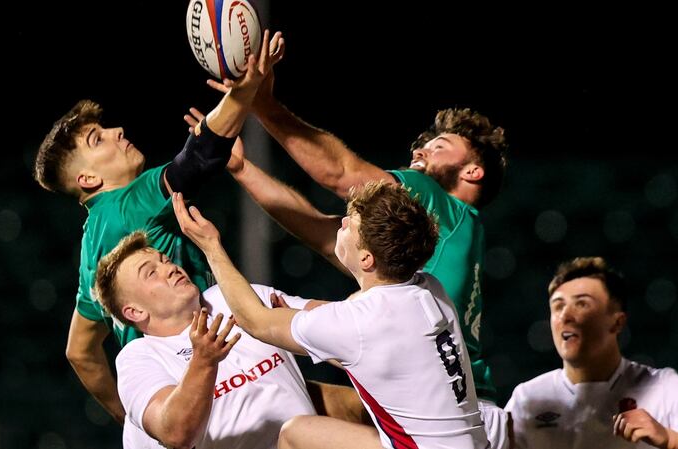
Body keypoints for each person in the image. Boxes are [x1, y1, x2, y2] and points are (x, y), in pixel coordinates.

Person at [200, 75, 510, 447]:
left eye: (439, 146)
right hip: (468, 417)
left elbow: (341, 174)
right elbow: (323, 234)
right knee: (299, 412)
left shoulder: (439, 201)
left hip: (451, 418)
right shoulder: (427, 283)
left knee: (284, 411)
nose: (421, 150)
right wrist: (242, 169)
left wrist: (259, 102)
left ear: (472, 172)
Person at [32, 30, 285, 423]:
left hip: (169, 393)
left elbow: (79, 351)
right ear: (87, 180)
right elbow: (198, 157)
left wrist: (133, 417)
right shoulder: (129, 205)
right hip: (206, 383)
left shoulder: (93, 242)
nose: (117, 131)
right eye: (98, 139)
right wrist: (244, 90)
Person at [172, 181, 490, 449]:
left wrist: (210, 246)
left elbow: (255, 321)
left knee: (294, 436)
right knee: (301, 433)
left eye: (350, 224)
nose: (342, 223)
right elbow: (371, 343)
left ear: (366, 258)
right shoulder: (428, 287)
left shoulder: (359, 323)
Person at [94, 231, 316, 449]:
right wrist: (203, 362)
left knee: (305, 430)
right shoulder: (138, 357)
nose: (170, 268)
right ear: (135, 312)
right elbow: (175, 433)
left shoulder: (232, 297)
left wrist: (301, 328)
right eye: (151, 273)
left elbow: (337, 321)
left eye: (166, 260)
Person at [505, 257, 678, 449]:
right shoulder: (527, 398)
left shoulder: (663, 388)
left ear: (617, 323)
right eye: (557, 306)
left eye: (582, 303)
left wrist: (674, 440)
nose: (566, 315)